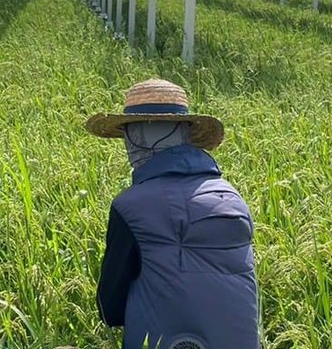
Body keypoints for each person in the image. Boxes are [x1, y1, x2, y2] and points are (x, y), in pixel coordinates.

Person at [86, 79, 260, 349]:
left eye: (129, 135)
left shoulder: (131, 205)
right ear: (186, 135)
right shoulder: (232, 197)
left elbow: (110, 309)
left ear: (137, 138)